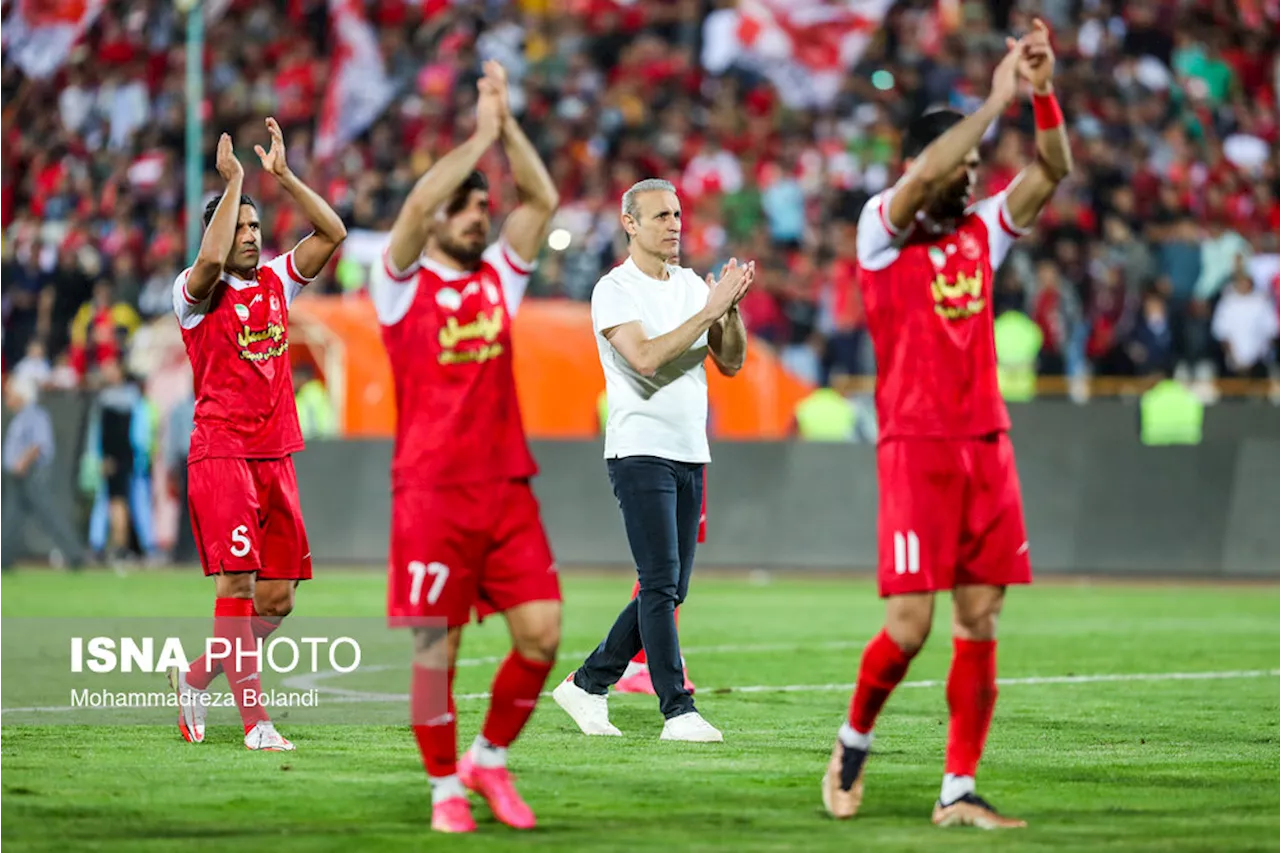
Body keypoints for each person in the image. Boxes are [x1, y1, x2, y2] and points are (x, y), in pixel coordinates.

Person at [820, 21, 1071, 829]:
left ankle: (958, 788)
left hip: (985, 446)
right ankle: (854, 738)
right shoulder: (878, 233)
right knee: (910, 625)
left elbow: (1052, 169)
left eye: (972, 171)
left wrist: (1039, 92)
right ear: (917, 170)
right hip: (916, 449)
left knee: (979, 617)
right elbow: (930, 167)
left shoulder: (981, 234)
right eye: (959, 168)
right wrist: (993, 94)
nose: (967, 182)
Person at [369, 61, 561, 834]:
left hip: (506, 485)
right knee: (432, 650)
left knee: (543, 633)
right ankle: (443, 783)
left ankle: (488, 756)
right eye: (466, 206)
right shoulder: (399, 285)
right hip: (430, 492)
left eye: (483, 204)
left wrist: (507, 127)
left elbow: (542, 200)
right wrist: (477, 134)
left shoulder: (500, 280)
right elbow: (416, 202)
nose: (479, 214)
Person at [165, 119, 347, 751]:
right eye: (240, 226)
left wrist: (284, 178)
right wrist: (236, 181)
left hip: (277, 456)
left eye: (253, 228)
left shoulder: (276, 281)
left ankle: (195, 678)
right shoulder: (193, 294)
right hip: (222, 454)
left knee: (277, 599)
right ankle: (255, 724)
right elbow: (210, 260)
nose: (250, 236)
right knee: (237, 585)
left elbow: (333, 233)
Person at [551, 178, 753, 742]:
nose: (674, 224)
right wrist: (708, 309)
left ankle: (589, 683)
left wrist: (727, 312)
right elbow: (643, 358)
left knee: (668, 589)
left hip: (691, 450)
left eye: (678, 214)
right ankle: (678, 710)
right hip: (640, 450)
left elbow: (731, 363)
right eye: (661, 215)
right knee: (660, 582)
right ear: (630, 224)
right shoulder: (615, 290)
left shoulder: (692, 285)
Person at [0, 376, 87, 572]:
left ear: (22, 395)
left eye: (11, 394)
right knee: (10, 518)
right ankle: (3, 558)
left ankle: (75, 555)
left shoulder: (35, 415)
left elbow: (39, 443)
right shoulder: (20, 417)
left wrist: (23, 461)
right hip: (17, 477)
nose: (7, 398)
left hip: (31, 474)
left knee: (49, 516)